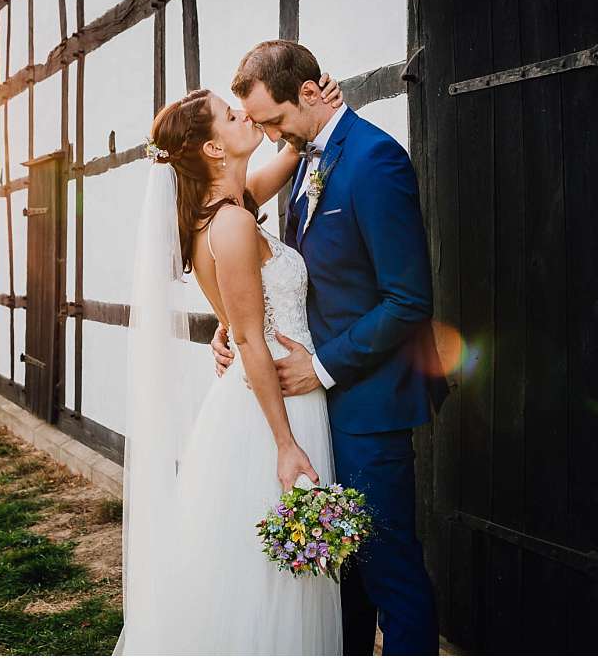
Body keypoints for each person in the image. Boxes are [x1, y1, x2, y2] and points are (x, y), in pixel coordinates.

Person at [215, 40, 443, 655]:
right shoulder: (306, 159)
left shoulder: (374, 163)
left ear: (311, 93)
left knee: (389, 569)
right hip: (318, 410)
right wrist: (238, 325)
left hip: (370, 404)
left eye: (273, 120)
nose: (265, 135)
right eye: (256, 123)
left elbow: (407, 300)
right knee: (342, 575)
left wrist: (320, 366)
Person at [115, 73, 345, 655]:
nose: (246, 114)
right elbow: (249, 340)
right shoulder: (234, 223)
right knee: (270, 574)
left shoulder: (230, 206)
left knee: (256, 568)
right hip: (271, 412)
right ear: (214, 147)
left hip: (265, 399)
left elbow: (285, 157)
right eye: (232, 113)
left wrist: (313, 113)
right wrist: (286, 444)